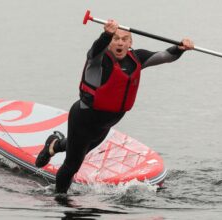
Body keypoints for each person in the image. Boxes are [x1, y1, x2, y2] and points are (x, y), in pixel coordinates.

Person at [35, 19, 194, 194]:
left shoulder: (137, 58)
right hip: (83, 119)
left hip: (105, 126)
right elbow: (94, 51)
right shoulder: (99, 59)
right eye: (116, 38)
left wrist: (180, 48)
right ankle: (61, 199)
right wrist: (106, 34)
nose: (120, 42)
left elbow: (164, 56)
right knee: (72, 164)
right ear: (109, 41)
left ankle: (53, 145)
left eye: (124, 39)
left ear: (130, 43)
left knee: (80, 148)